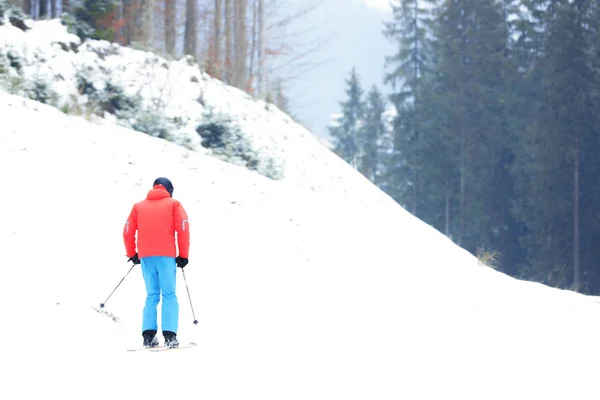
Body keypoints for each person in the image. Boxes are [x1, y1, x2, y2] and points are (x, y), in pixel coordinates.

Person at [123, 177, 190, 348]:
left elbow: (128, 230)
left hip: (146, 256)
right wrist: (183, 255)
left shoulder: (138, 206)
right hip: (166, 256)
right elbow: (183, 229)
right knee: (169, 293)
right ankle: (169, 336)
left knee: (152, 295)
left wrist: (132, 253)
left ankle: (148, 336)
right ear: (169, 189)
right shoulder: (174, 204)